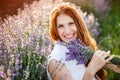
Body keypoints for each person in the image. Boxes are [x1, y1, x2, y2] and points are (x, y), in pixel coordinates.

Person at [47, 3, 114, 80]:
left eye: (71, 23)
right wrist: (90, 70)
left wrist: (109, 63)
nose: (67, 31)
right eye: (61, 26)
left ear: (78, 24)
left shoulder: (81, 48)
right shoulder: (55, 62)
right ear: (55, 30)